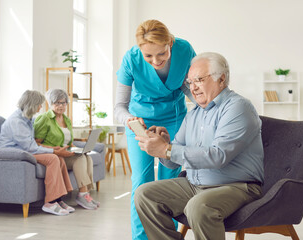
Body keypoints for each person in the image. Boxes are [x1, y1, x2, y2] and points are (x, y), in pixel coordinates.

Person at [134, 52, 264, 240]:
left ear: (221, 79)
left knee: (199, 206)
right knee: (144, 194)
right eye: (189, 82)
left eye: (199, 80)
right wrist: (163, 145)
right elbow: (172, 162)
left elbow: (218, 156)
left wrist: (167, 150)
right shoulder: (194, 114)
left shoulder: (238, 107)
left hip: (237, 186)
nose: (192, 88)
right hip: (195, 184)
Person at [114, 19, 196, 240]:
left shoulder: (185, 50)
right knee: (142, 182)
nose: (155, 61)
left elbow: (190, 87)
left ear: (170, 42)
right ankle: (140, 238)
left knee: (171, 183)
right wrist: (129, 119)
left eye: (161, 54)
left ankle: (165, 236)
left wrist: (205, 105)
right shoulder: (131, 59)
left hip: (175, 119)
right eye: (148, 56)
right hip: (140, 122)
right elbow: (119, 107)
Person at [0, 90, 75, 216]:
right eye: (39, 104)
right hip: (14, 154)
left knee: (59, 158)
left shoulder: (27, 118)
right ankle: (49, 203)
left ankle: (58, 199)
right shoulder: (16, 121)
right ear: (32, 104)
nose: (41, 107)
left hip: (24, 150)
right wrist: (53, 151)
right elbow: (30, 147)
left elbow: (31, 144)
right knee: (53, 158)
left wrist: (54, 150)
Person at [34, 89, 100, 210]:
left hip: (66, 153)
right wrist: (56, 150)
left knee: (87, 157)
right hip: (55, 154)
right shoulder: (44, 119)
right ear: (50, 103)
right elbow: (36, 143)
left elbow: (69, 142)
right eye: (57, 103)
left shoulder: (67, 119)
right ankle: (82, 195)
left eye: (63, 103)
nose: (61, 106)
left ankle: (85, 193)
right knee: (80, 160)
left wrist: (77, 149)